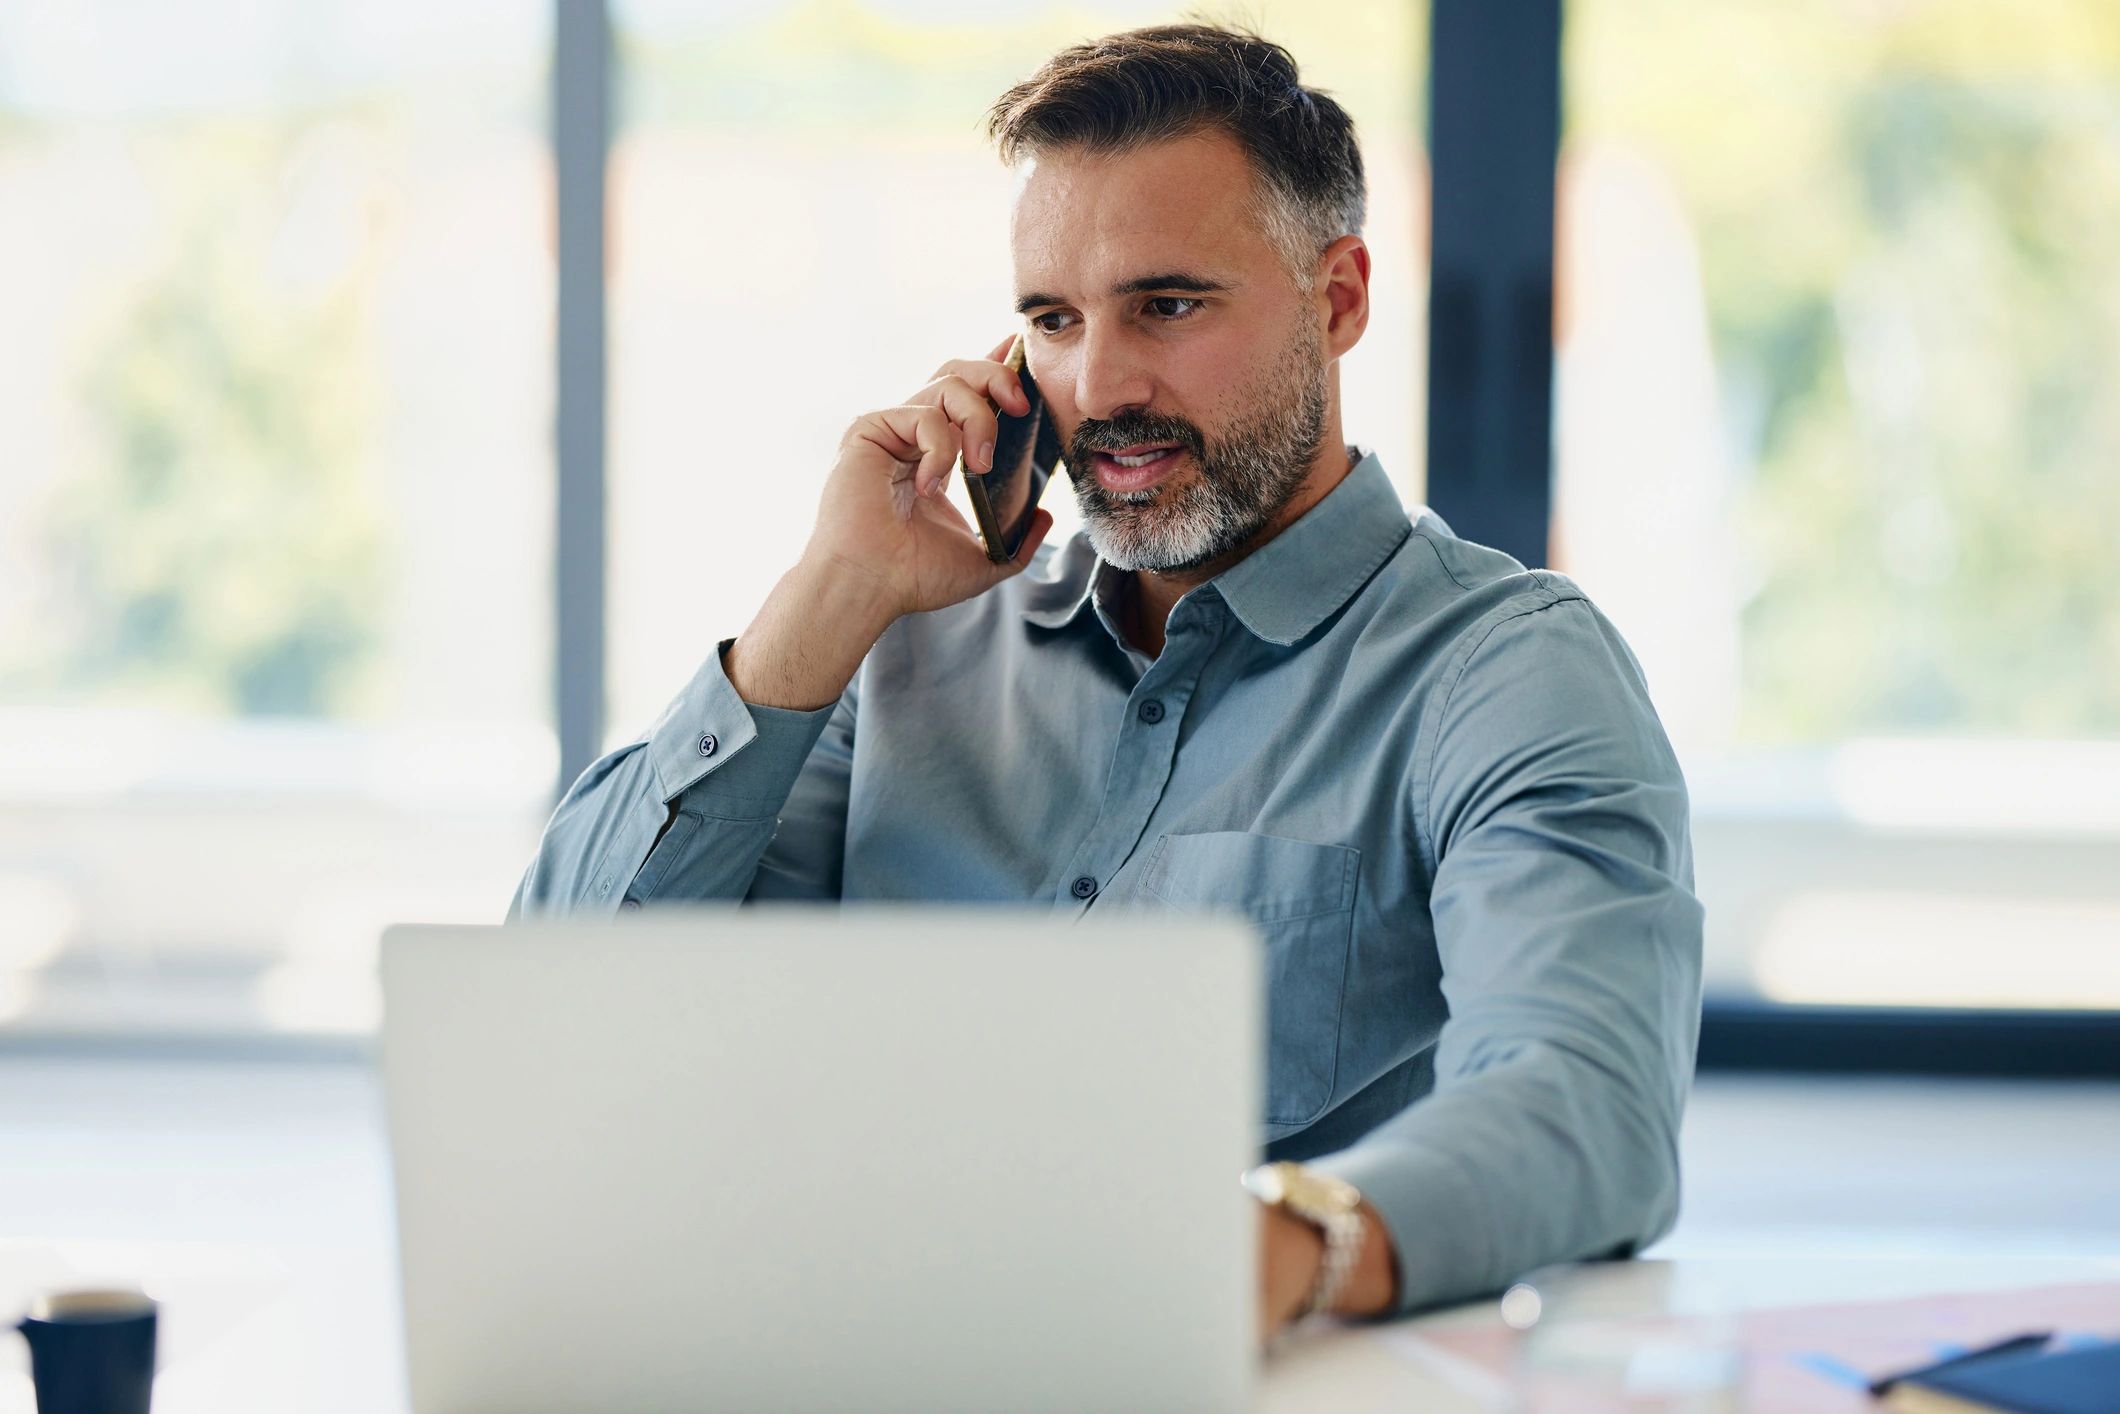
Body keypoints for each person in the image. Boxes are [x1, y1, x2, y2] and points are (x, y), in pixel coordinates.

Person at [510, 22, 1703, 1344]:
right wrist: (826, 596)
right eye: (1052, 321)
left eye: (1168, 305)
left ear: (1341, 297)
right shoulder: (899, 647)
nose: (1102, 384)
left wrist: (1285, 1241)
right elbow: (557, 1021)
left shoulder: (1506, 671)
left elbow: (1588, 1099)